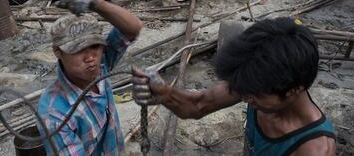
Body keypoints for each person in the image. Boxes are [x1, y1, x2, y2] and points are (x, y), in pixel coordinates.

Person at [132, 17, 336, 156]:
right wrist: (164, 94)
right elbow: (198, 105)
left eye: (254, 96)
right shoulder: (256, 83)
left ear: (293, 90)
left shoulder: (314, 148)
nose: (245, 99)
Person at [38, 0, 142, 155]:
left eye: (94, 46)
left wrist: (95, 3)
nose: (90, 58)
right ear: (58, 51)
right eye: (78, 50)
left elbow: (133, 28)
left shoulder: (101, 66)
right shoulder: (55, 113)